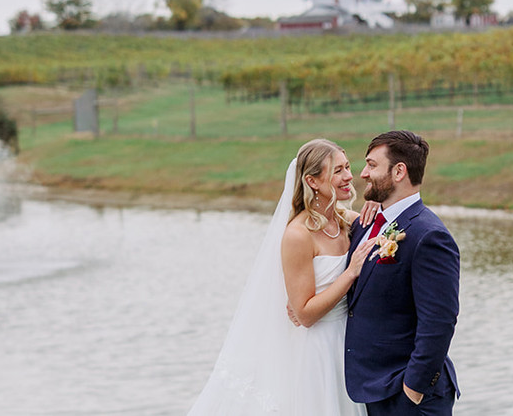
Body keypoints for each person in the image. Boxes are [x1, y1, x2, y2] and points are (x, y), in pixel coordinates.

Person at [188, 138, 379, 415]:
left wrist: (377, 210)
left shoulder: (347, 220)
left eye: (348, 167)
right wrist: (350, 274)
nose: (349, 176)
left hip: (350, 344)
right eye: (337, 170)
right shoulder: (297, 235)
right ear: (313, 181)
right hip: (318, 350)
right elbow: (304, 314)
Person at [344, 130, 462, 416]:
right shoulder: (367, 224)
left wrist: (413, 391)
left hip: (407, 396)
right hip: (371, 389)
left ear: (399, 172)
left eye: (372, 165)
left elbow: (439, 321)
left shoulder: (429, 236)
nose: (363, 174)